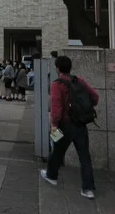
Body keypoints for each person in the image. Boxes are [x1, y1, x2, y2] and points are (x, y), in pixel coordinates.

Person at [41, 56, 99, 199]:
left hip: (63, 125)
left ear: (57, 68)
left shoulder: (57, 84)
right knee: (84, 156)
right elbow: (95, 97)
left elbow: (56, 107)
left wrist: (54, 125)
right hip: (80, 124)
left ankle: (51, 175)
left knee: (57, 150)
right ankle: (88, 189)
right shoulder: (78, 81)